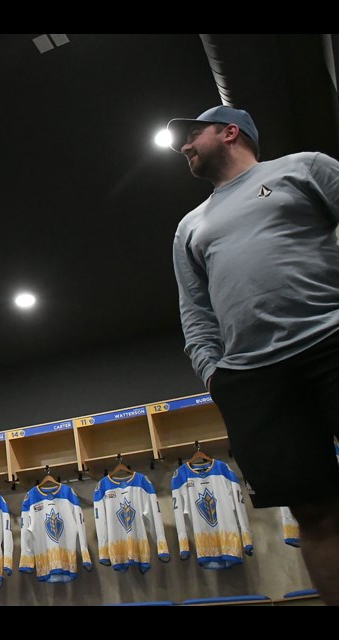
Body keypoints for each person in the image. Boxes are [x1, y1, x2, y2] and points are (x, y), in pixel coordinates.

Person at [169, 105, 339, 604]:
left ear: (229, 131)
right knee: (314, 511)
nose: (182, 146)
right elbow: (194, 310)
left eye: (191, 134)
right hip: (253, 377)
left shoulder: (303, 167)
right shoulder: (189, 226)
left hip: (331, 340)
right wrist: (212, 373)